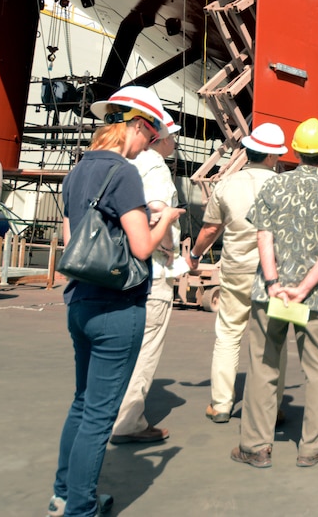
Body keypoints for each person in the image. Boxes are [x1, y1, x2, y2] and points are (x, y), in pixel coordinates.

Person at [48, 86, 184, 517]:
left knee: (82, 402)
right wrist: (166, 221)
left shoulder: (77, 171)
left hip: (80, 301)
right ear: (138, 127)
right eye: (150, 134)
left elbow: (72, 245)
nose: (149, 144)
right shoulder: (124, 173)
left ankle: (63, 493)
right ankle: (81, 509)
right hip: (117, 307)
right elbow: (142, 248)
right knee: (99, 417)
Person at [232, 118, 318, 469]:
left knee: (264, 365)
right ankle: (311, 448)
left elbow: (262, 235)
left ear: (294, 151)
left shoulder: (273, 188)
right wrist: (303, 289)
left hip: (271, 296)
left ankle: (255, 447)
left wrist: (273, 283)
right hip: (316, 300)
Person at [187, 124, 289, 424]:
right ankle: (271, 406)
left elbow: (210, 229)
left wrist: (194, 255)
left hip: (235, 271)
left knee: (228, 336)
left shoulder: (227, 184)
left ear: (249, 151)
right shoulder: (284, 187)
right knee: (273, 341)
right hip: (275, 276)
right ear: (273, 156)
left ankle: (221, 404)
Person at [109, 110, 183, 445]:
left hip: (121, 270)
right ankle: (128, 421)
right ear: (161, 137)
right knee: (146, 346)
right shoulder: (155, 166)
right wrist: (168, 248)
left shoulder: (124, 163)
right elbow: (158, 212)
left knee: (120, 346)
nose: (176, 143)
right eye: (173, 137)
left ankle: (109, 411)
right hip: (152, 271)